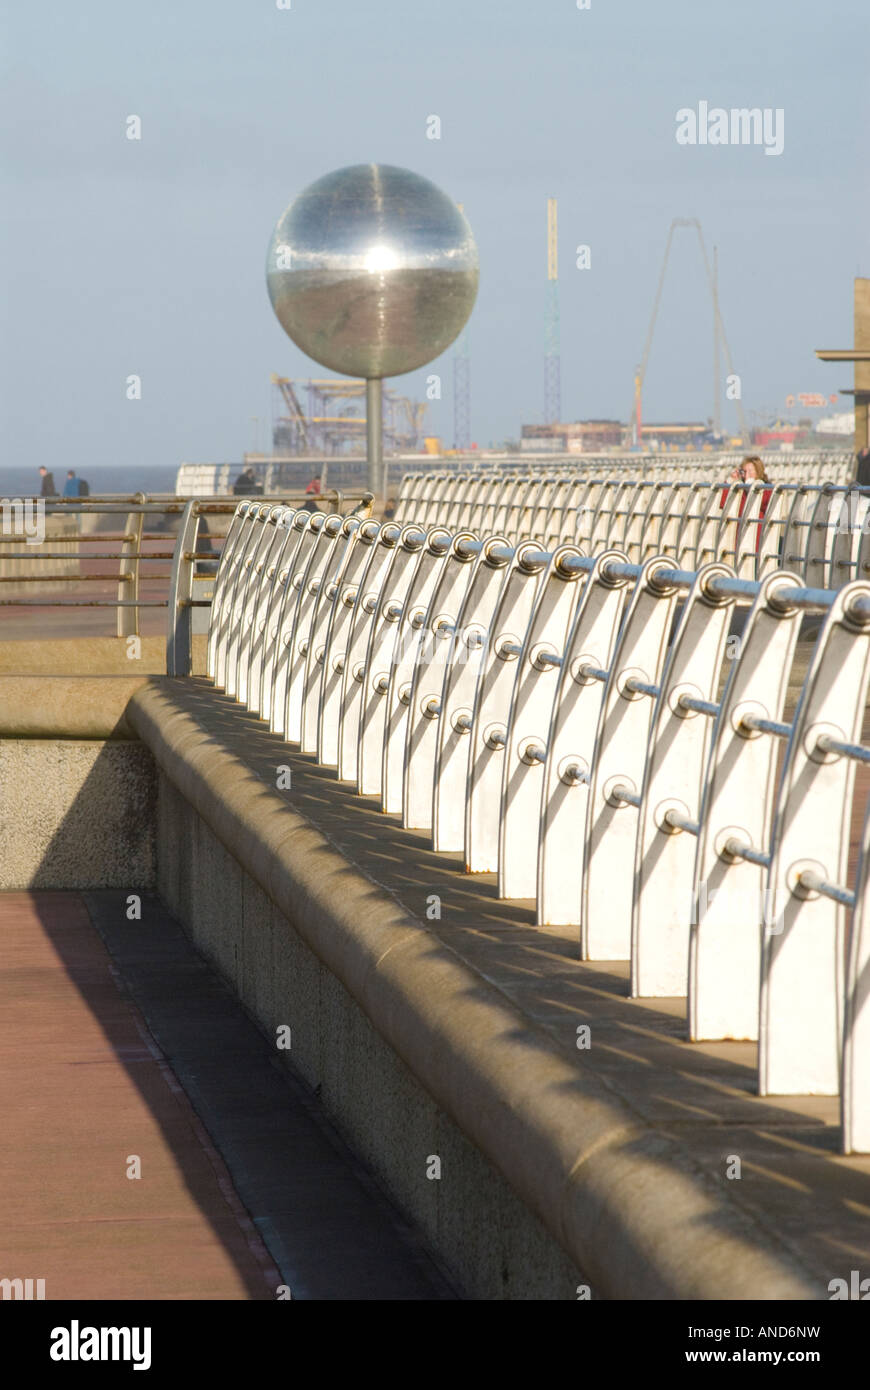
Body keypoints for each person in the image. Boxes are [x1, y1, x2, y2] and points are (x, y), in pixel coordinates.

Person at [719, 455, 773, 555]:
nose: (747, 474)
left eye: (751, 470)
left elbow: (765, 503)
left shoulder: (767, 488)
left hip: (758, 538)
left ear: (758, 471)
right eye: (744, 471)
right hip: (739, 536)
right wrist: (730, 482)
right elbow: (723, 503)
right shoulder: (740, 489)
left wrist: (752, 486)